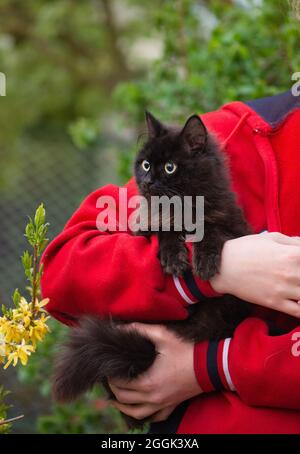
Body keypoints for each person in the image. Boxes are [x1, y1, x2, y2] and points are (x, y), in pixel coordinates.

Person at [41, 90, 300, 433]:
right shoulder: (245, 129)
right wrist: (211, 272)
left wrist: (208, 365)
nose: (147, 179)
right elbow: (64, 266)